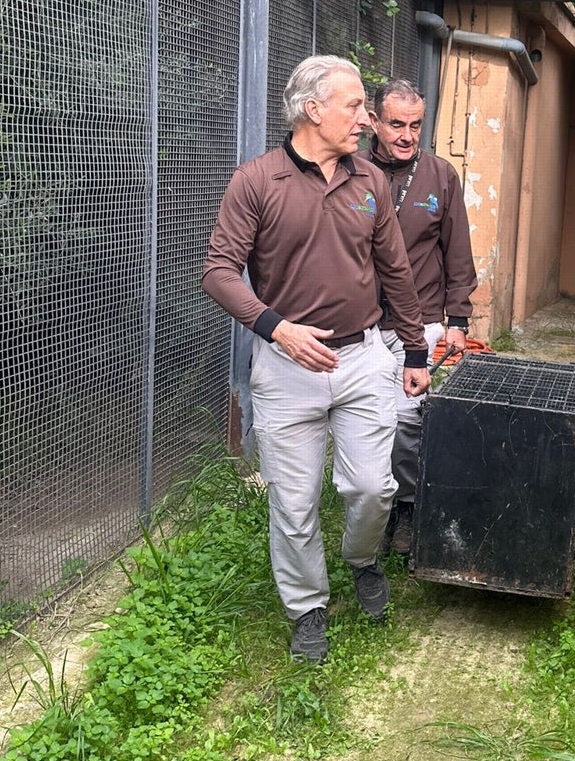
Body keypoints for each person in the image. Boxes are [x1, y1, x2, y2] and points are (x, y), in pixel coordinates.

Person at [202, 56, 431, 664]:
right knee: (294, 503)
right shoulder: (256, 181)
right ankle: (308, 607)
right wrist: (276, 330)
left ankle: (361, 558)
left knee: (372, 486)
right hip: (285, 368)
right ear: (313, 109)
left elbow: (396, 273)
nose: (366, 117)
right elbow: (219, 272)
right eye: (354, 106)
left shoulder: (370, 183)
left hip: (362, 358)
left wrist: (414, 349)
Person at [357, 80, 477, 557]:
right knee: (371, 422)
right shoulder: (351, 170)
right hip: (362, 322)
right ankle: (373, 508)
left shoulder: (440, 176)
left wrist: (458, 320)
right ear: (373, 122)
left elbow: (457, 251)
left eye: (415, 125)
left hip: (421, 319)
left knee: (409, 422)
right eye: (396, 124)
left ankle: (406, 507)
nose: (407, 135)